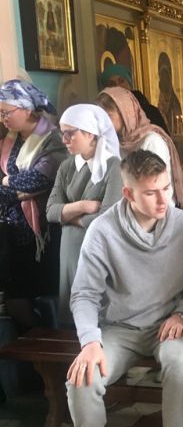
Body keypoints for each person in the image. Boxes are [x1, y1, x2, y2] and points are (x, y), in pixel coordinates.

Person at [48, 150, 183, 427]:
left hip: (168, 325)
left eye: (166, 188)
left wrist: (182, 313)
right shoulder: (103, 230)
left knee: (180, 367)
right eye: (151, 192)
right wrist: (90, 342)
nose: (163, 199)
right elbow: (84, 294)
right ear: (128, 193)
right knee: (83, 376)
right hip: (118, 327)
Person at [46, 104, 123, 326]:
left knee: (98, 311)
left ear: (90, 133)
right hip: (69, 249)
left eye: (70, 133)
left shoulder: (114, 166)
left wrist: (68, 217)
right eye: (62, 133)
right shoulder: (66, 166)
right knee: (70, 313)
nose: (64, 140)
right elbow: (50, 212)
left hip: (98, 247)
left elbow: (108, 217)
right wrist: (83, 206)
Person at [0, 80, 67, 330]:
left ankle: (50, 343)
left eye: (6, 112)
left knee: (45, 295)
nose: (2, 118)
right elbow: (22, 183)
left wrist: (7, 182)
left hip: (42, 233)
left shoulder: (52, 139)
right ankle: (33, 342)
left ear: (27, 109)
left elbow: (39, 179)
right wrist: (13, 187)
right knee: (16, 298)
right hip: (13, 231)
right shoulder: (10, 139)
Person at [96, 86, 183, 211]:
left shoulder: (151, 141)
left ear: (125, 113)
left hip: (155, 214)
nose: (102, 122)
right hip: (128, 212)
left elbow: (156, 187)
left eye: (108, 116)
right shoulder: (114, 142)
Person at [100, 63, 170, 135]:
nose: (118, 86)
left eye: (121, 81)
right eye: (112, 84)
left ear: (129, 85)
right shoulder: (104, 115)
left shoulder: (151, 112)